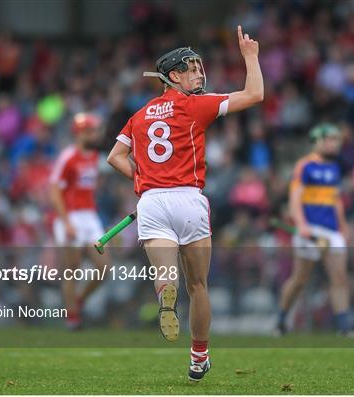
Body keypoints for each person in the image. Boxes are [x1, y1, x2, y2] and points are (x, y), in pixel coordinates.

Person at [107, 25, 263, 381]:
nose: (199, 73)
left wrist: (142, 179)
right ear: (173, 76)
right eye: (191, 69)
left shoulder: (140, 115)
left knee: (166, 276)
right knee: (198, 286)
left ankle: (165, 293)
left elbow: (115, 156)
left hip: (152, 201)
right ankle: (198, 358)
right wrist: (251, 57)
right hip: (188, 201)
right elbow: (255, 94)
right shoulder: (196, 106)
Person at [277, 123, 352, 335]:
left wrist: (343, 227)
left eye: (336, 140)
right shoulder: (305, 166)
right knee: (300, 279)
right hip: (310, 229)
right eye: (330, 140)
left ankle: (344, 327)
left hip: (332, 230)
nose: (334, 144)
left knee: (340, 276)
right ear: (317, 142)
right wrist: (301, 225)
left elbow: (335, 201)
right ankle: (281, 319)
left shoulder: (334, 168)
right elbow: (295, 199)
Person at [49, 112, 108, 330]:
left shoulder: (94, 157)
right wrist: (65, 222)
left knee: (104, 267)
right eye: (91, 131)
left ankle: (79, 299)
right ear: (81, 133)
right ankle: (72, 317)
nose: (95, 134)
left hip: (90, 216)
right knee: (71, 269)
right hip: (71, 216)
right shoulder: (68, 157)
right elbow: (54, 190)